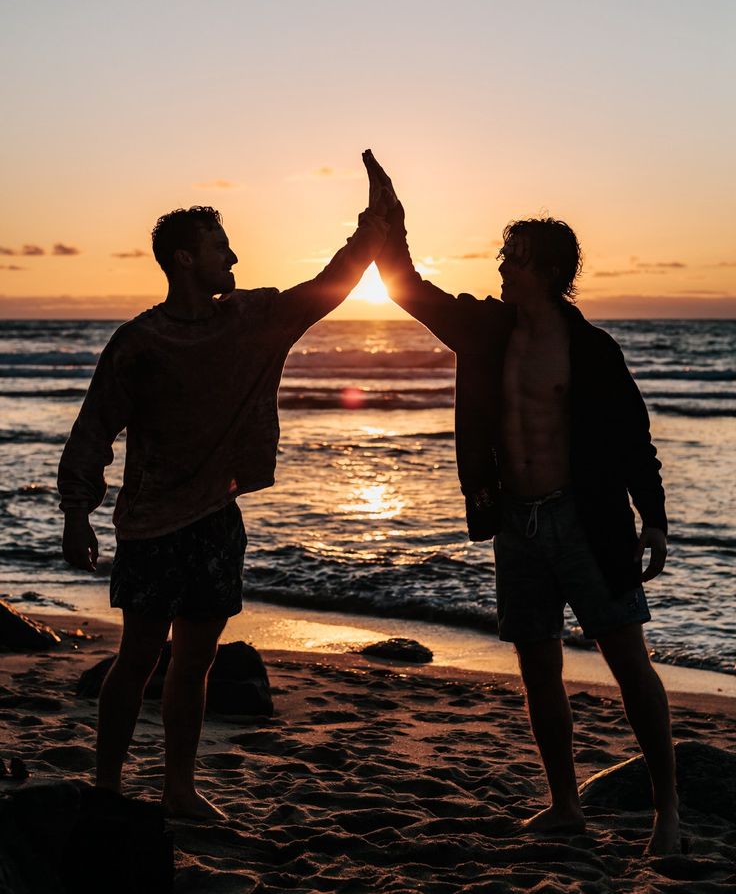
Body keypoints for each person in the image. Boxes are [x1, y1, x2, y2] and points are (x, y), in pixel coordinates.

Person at [364, 150, 680, 855]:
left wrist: (652, 515)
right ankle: (566, 804)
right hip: (516, 520)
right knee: (538, 666)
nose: (499, 267)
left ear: (540, 263)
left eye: (509, 256)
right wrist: (393, 223)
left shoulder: (592, 350)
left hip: (587, 521)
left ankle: (667, 811)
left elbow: (634, 440)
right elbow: (407, 289)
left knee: (629, 660)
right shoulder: (485, 330)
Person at [59, 166, 390, 819]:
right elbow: (93, 428)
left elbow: (324, 288)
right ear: (185, 259)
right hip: (151, 525)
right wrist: (77, 513)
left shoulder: (248, 320)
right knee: (139, 656)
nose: (233, 255)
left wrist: (372, 226)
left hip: (215, 518)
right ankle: (106, 786)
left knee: (197, 662)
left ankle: (177, 788)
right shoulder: (139, 343)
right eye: (220, 245)